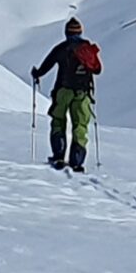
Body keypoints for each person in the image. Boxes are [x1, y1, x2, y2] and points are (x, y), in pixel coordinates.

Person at [31, 17, 102, 170]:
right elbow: (97, 70)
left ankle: (59, 156)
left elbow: (45, 66)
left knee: (58, 121)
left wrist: (36, 73)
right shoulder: (87, 49)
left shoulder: (61, 48)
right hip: (83, 93)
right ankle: (77, 161)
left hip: (63, 90)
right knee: (80, 126)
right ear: (81, 32)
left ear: (66, 33)